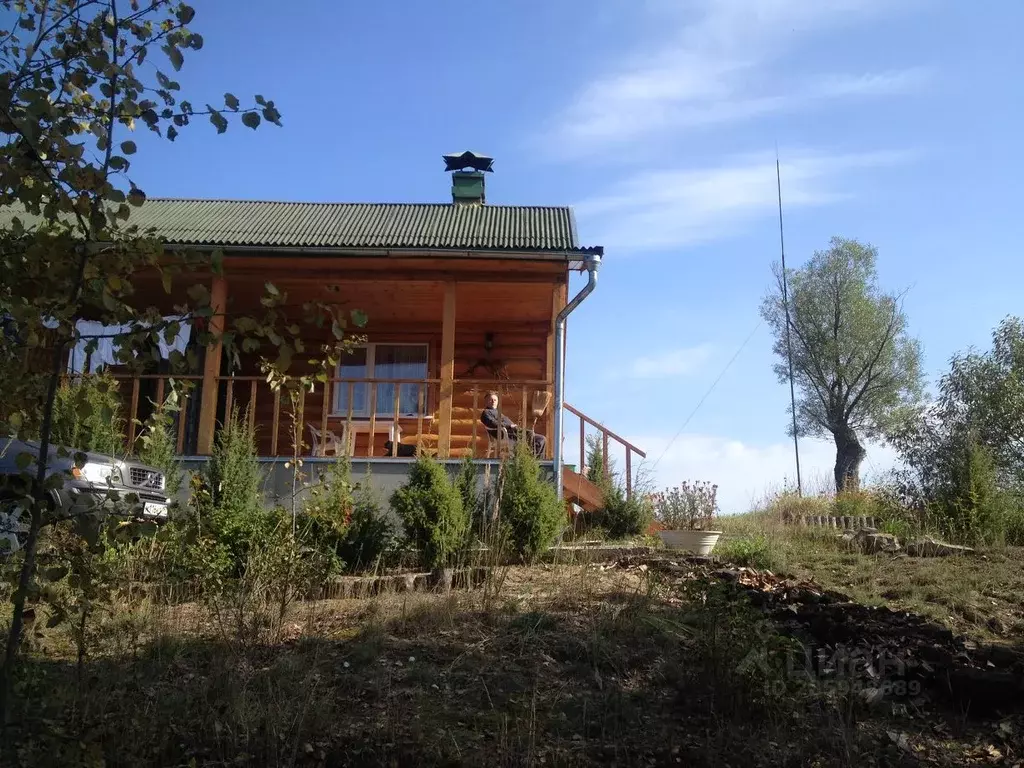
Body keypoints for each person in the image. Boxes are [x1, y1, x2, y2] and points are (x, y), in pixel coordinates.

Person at [480, 390, 546, 457]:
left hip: (514, 432)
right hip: (505, 434)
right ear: (486, 401)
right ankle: (527, 457)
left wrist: (516, 427)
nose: (493, 402)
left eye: (495, 400)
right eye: (491, 400)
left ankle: (538, 460)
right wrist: (509, 426)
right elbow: (492, 423)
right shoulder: (486, 413)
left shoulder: (497, 412)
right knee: (529, 433)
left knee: (541, 439)